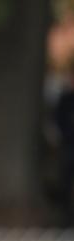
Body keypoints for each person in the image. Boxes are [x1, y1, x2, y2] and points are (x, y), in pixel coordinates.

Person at [55, 66, 74, 227]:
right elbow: (58, 121)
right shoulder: (65, 99)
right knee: (66, 183)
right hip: (69, 146)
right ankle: (66, 219)